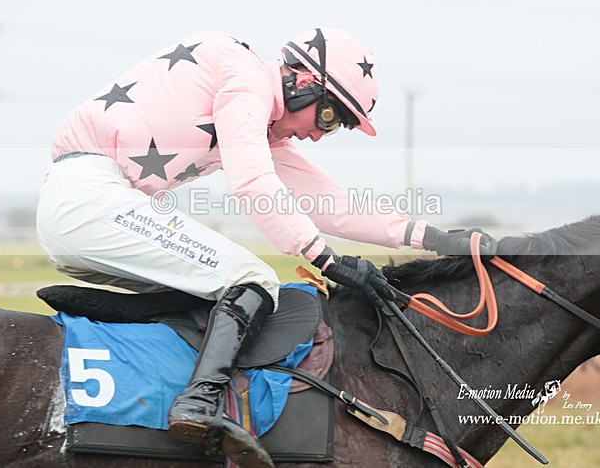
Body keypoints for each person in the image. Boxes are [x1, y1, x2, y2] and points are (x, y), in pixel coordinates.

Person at [36, 27, 497, 467]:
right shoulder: (244, 78)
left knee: (223, 289)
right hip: (90, 199)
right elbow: (253, 184)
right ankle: (198, 405)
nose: (320, 134)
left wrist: (436, 238)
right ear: (302, 82)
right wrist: (324, 259)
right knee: (251, 279)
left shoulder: (258, 115)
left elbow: (334, 207)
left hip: (93, 205)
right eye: (330, 116)